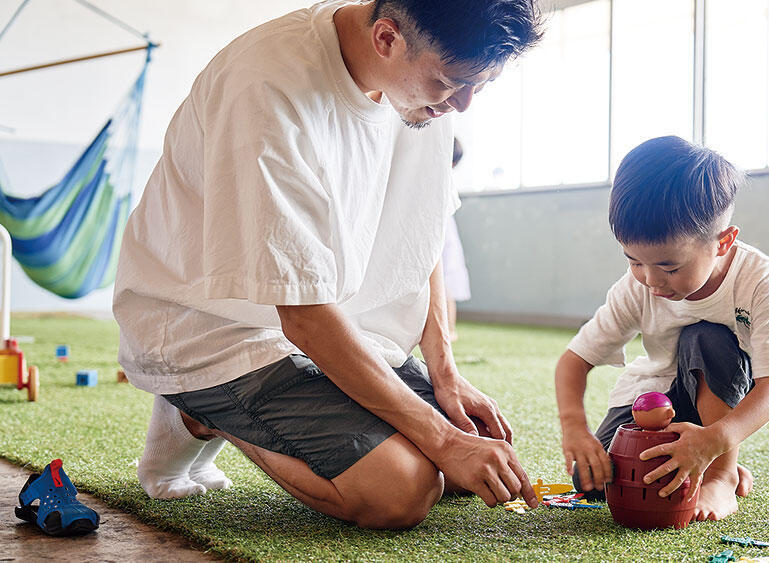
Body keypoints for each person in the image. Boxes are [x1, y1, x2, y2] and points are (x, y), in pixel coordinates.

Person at [113, 0, 542, 530]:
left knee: (468, 461)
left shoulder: (423, 88)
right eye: (452, 82)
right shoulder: (267, 89)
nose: (464, 104)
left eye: (482, 84)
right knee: (401, 491)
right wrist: (442, 439)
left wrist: (445, 374)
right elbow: (303, 315)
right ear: (387, 38)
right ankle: (198, 411)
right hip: (217, 326)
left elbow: (420, 231)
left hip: (338, 321)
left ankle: (224, 411)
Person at [554, 136, 769, 522]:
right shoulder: (635, 288)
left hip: (714, 399)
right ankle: (705, 460)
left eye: (669, 267)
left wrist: (717, 440)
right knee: (595, 479)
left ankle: (720, 473)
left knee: (705, 336)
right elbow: (573, 361)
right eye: (634, 260)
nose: (651, 280)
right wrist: (575, 430)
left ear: (723, 242)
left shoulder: (759, 281)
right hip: (654, 396)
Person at [443, 138, 472, 340]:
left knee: (446, 283)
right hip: (444, 232)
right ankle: (448, 329)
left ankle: (450, 329)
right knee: (444, 283)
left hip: (444, 233)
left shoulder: (445, 180)